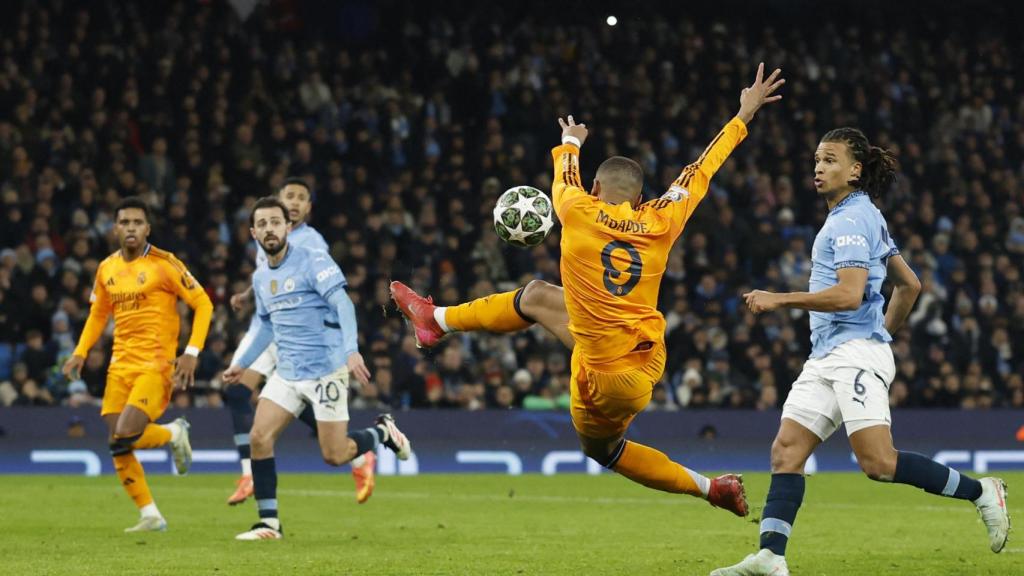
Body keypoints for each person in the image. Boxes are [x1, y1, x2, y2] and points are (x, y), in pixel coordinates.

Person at [392, 63, 786, 516]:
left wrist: (571, 141)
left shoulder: (577, 208)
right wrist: (743, 115)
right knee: (537, 295)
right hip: (648, 354)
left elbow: (566, 177)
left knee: (604, 450)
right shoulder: (661, 219)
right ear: (638, 199)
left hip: (606, 375)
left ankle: (710, 489)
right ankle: (435, 320)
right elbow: (700, 169)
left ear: (597, 188)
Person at [710, 128, 1010, 575]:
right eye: (816, 159)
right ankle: (770, 557)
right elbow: (909, 286)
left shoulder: (850, 220)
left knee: (879, 463)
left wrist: (782, 299)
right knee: (787, 450)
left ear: (855, 171)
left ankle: (981, 491)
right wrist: (882, 334)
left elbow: (850, 295)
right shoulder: (861, 215)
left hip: (851, 354)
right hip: (830, 354)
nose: (818, 167)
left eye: (830, 160)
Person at [224, 196, 411, 541]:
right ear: (253, 232)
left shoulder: (312, 260)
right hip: (287, 371)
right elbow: (265, 325)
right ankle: (269, 524)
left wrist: (351, 350)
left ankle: (383, 433)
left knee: (335, 454)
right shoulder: (262, 276)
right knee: (259, 437)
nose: (269, 229)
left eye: (275, 222)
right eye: (262, 224)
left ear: (288, 227)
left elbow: (342, 302)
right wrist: (242, 364)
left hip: (326, 369)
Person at [62, 196, 213, 532]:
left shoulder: (165, 263)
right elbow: (98, 313)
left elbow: (203, 303)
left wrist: (192, 352)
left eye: (137, 223)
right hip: (119, 365)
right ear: (116, 227)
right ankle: (150, 514)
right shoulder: (106, 268)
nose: (131, 228)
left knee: (126, 432)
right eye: (124, 222)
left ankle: (175, 432)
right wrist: (81, 351)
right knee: (117, 443)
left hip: (155, 364)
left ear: (148, 228)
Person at [226, 177, 377, 506]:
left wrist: (348, 348)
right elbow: (272, 279)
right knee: (237, 392)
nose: (293, 202)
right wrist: (248, 295)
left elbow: (323, 291)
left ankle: (356, 450)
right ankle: (253, 479)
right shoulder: (268, 238)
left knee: (328, 446)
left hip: (308, 340)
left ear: (307, 208)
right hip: (271, 328)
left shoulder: (312, 245)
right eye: (288, 196)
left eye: (300, 198)